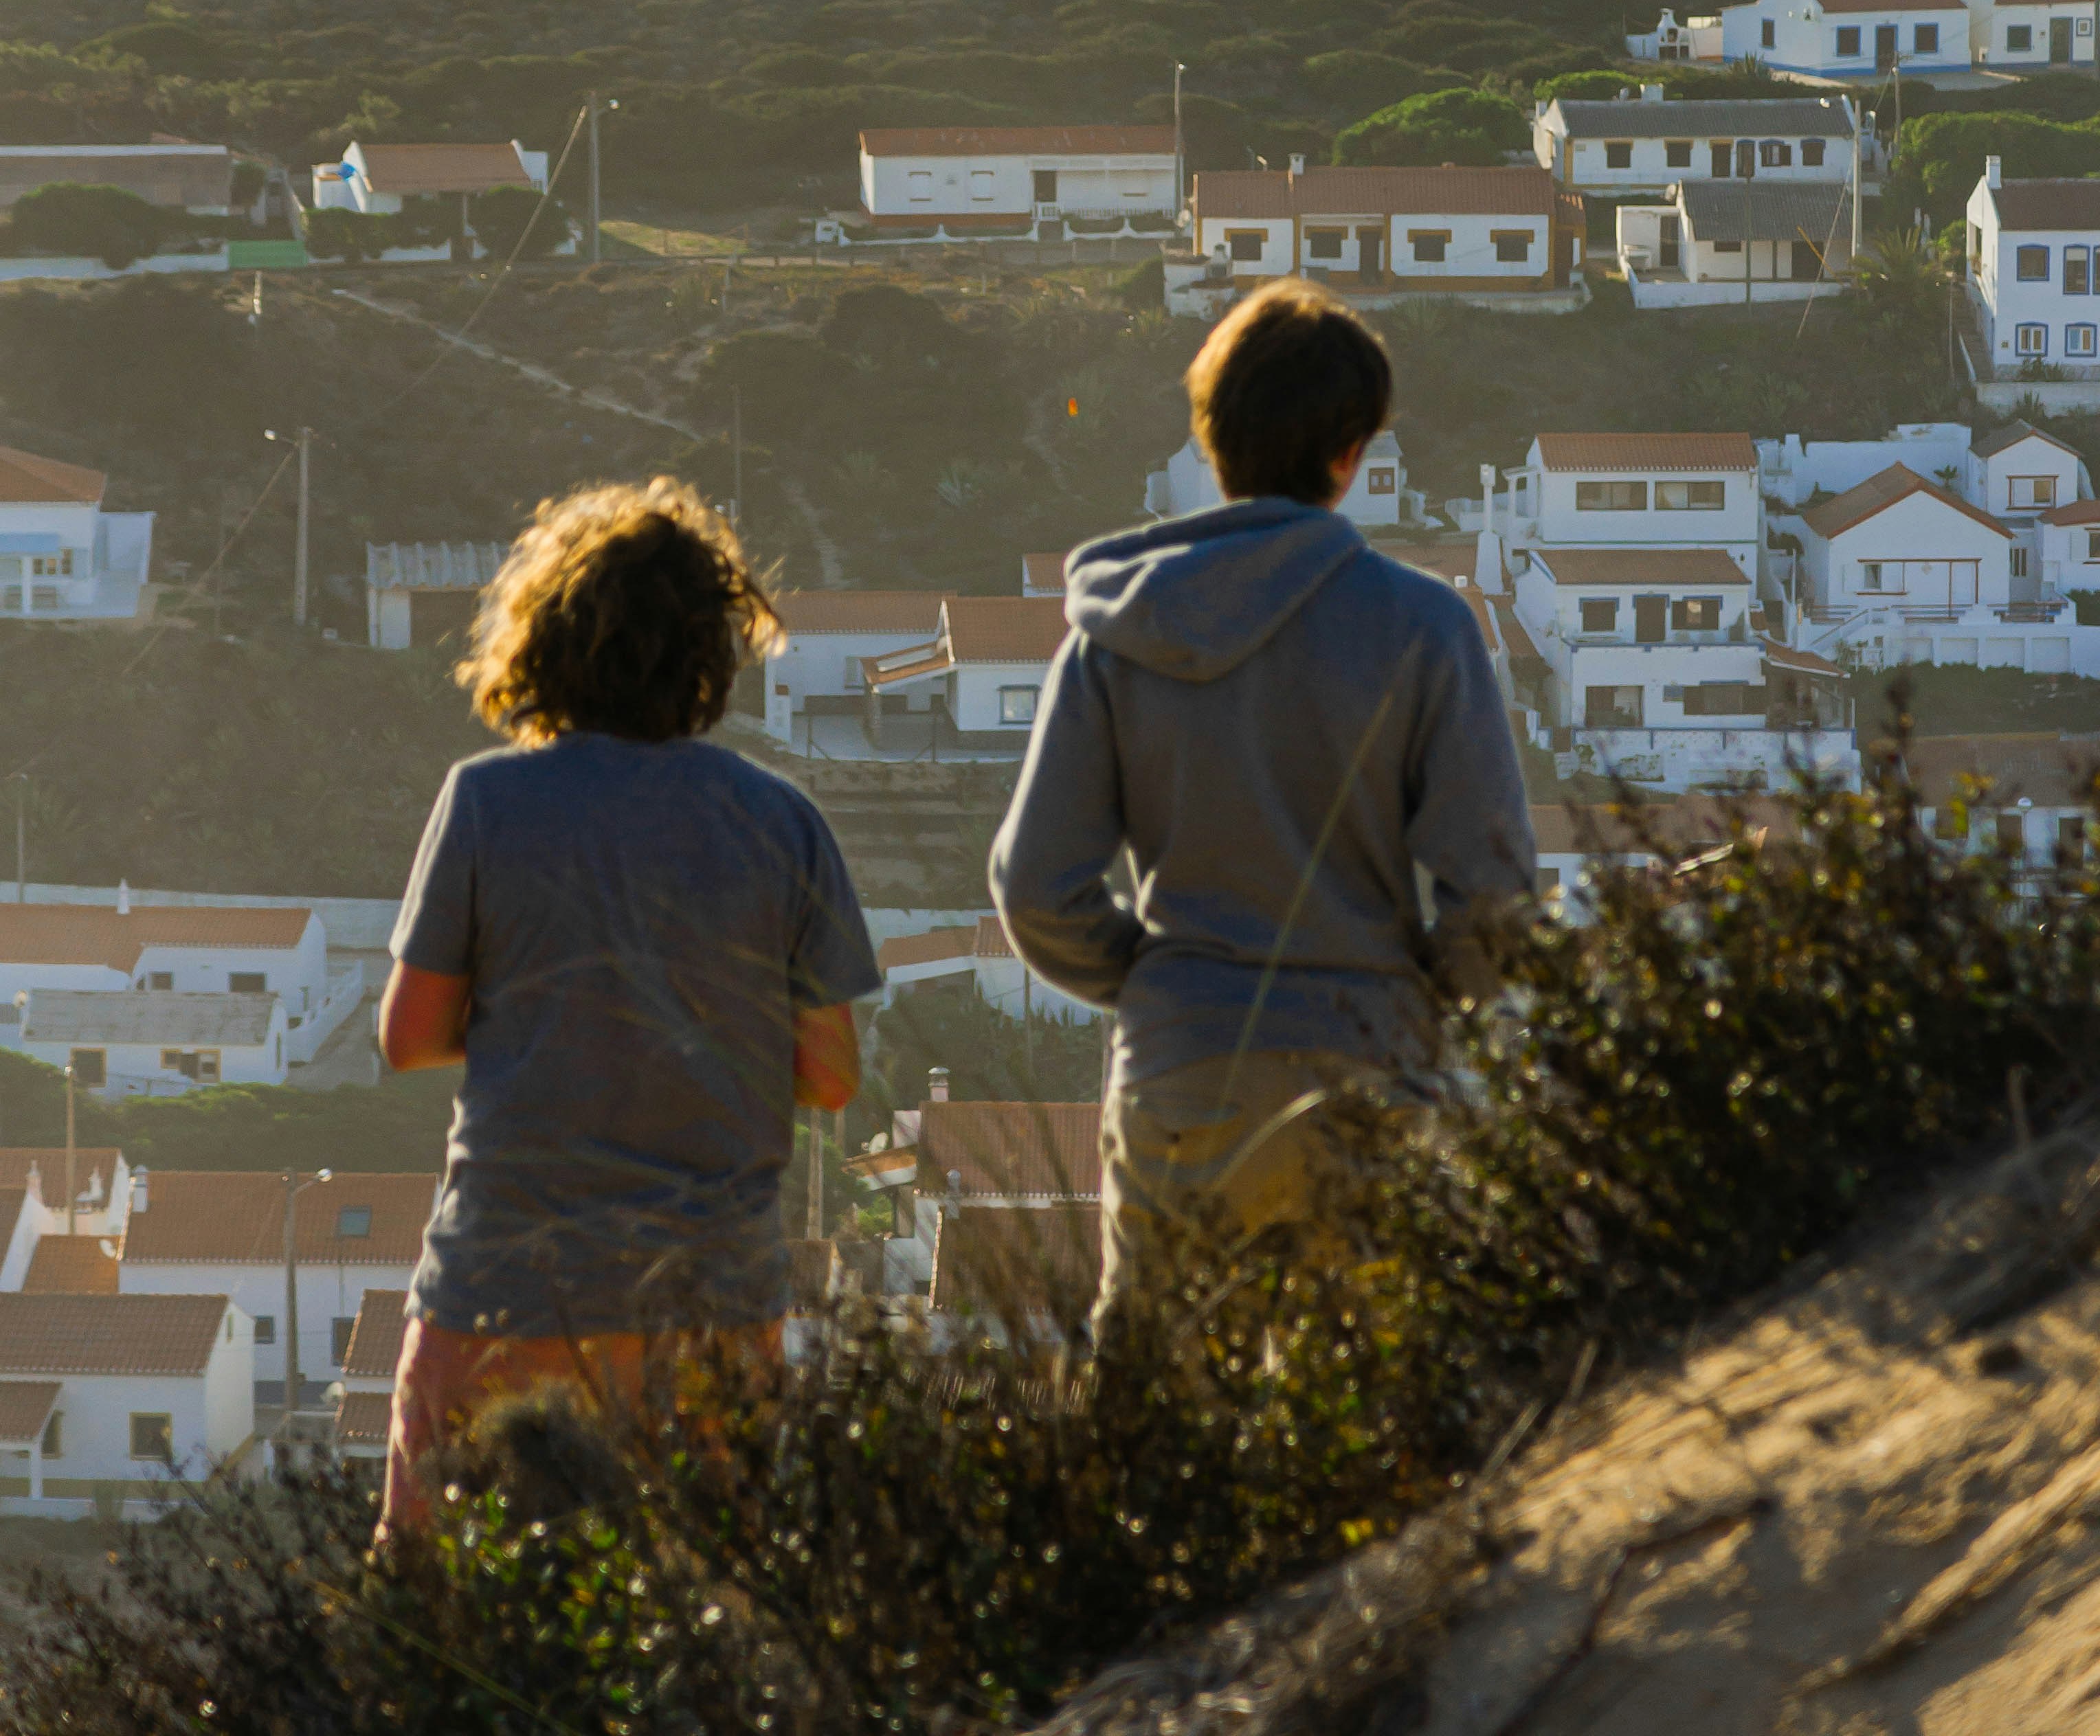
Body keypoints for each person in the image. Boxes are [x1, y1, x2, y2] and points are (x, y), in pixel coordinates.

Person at [988, 280, 1534, 1311]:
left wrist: (1164, 983)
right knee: (1367, 1412)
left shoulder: (1113, 636)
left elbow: (1033, 890)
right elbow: (1491, 894)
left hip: (1182, 1068)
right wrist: (1423, 1001)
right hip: (1368, 1063)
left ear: (1211, 443)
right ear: (1349, 453)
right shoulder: (1425, 628)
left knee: (1161, 1409)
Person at [376, 477, 878, 1526]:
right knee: (695, 1610)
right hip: (711, 1306)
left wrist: (546, 1017)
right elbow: (831, 1078)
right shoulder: (781, 823)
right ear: (712, 651)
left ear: (543, 639)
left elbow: (410, 1037)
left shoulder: (486, 802)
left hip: (506, 1287)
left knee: (429, 1621)